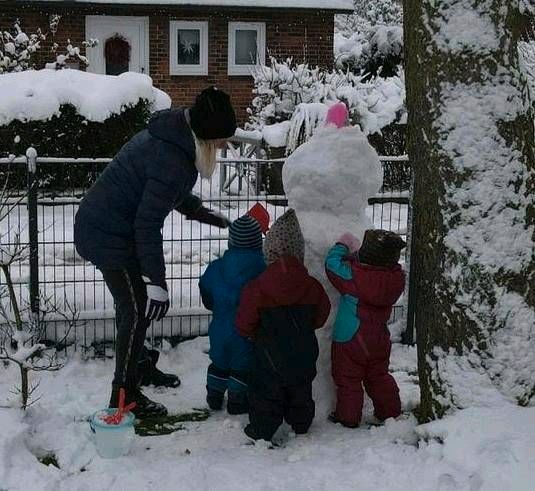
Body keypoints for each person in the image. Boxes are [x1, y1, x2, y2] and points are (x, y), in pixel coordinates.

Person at [74, 87, 237, 418]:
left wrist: (202, 213)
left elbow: (163, 192)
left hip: (119, 229)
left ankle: (139, 366)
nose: (223, 145)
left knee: (139, 306)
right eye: (221, 139)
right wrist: (156, 281)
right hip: (105, 233)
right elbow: (148, 223)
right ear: (207, 133)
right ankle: (124, 395)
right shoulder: (171, 156)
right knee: (135, 308)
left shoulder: (175, 137)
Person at [236, 209, 331, 442]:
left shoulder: (257, 287)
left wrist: (250, 334)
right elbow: (322, 314)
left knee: (265, 392)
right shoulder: (311, 286)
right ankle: (301, 424)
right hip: (303, 351)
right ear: (299, 252)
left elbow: (244, 321)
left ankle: (262, 428)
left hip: (268, 355)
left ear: (269, 251)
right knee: (301, 389)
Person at [325, 229, 406, 428]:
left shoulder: (353, 276)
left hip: (351, 337)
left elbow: (332, 265)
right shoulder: (395, 278)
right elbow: (374, 273)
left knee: (348, 378)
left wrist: (341, 246)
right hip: (378, 337)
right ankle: (390, 412)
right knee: (378, 375)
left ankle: (348, 417)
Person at [199, 204, 270, 415]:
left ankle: (214, 395)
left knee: (219, 360)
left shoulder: (216, 267)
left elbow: (206, 290)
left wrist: (215, 305)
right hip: (247, 331)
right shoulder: (262, 269)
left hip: (219, 326)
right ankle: (237, 401)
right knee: (242, 365)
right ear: (258, 242)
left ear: (231, 241)